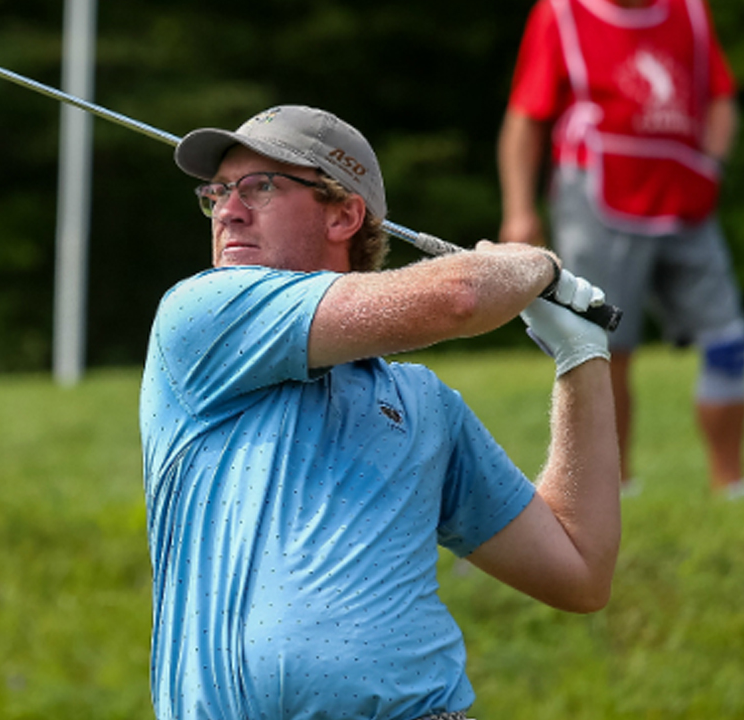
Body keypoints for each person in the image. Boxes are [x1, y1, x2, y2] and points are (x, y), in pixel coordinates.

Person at [139, 104, 621, 720]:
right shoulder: (199, 316)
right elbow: (463, 295)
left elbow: (579, 572)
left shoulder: (424, 407)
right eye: (218, 192)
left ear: (344, 214)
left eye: (260, 187)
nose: (228, 209)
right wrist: (538, 264)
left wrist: (582, 354)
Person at [497, 0, 744, 497]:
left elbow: (720, 96)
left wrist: (713, 165)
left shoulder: (690, 12)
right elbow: (525, 118)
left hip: (684, 197)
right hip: (597, 197)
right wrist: (519, 209)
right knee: (606, 345)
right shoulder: (562, 13)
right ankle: (615, 485)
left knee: (728, 339)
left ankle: (732, 485)